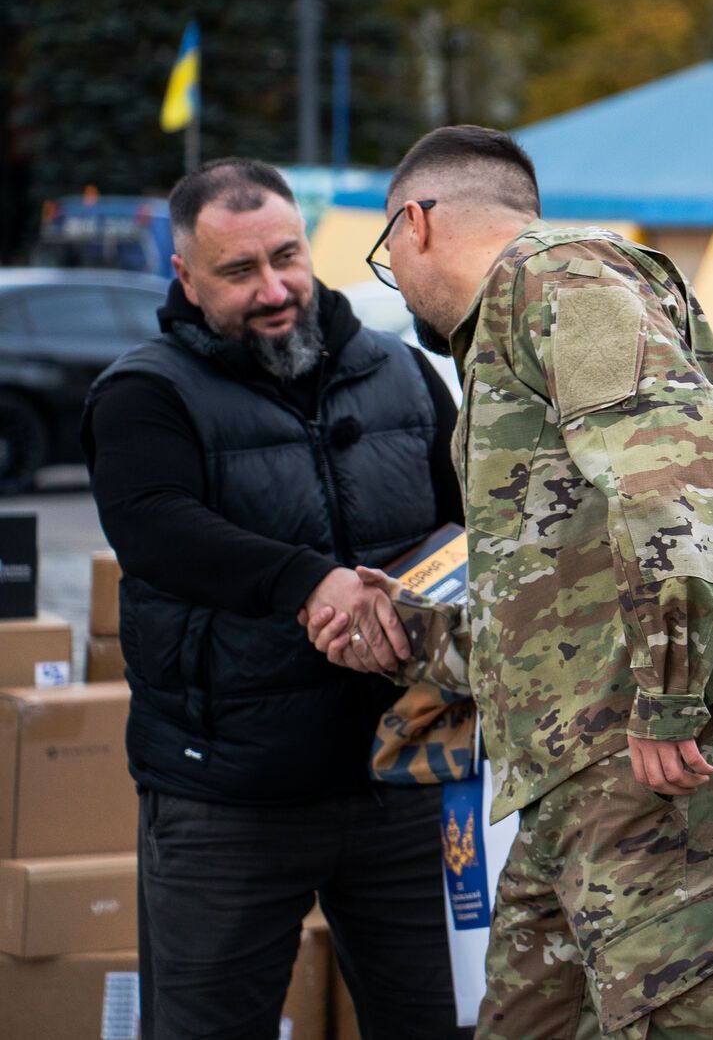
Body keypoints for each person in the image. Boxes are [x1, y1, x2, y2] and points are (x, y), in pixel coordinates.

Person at [316, 125, 713, 1038]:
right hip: (577, 774)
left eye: (388, 254)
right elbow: (558, 608)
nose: (397, 275)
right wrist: (408, 635)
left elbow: (668, 474)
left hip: (659, 761)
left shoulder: (559, 278)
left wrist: (672, 698)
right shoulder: (513, 331)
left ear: (415, 224)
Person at [83, 158, 462, 1039]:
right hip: (226, 794)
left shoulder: (403, 375)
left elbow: (469, 525)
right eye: (239, 271)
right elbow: (154, 526)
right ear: (184, 274)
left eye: (287, 257)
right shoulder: (146, 392)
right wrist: (309, 583)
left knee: (446, 1023)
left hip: (405, 775)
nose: (275, 288)